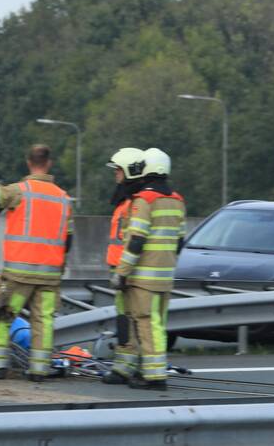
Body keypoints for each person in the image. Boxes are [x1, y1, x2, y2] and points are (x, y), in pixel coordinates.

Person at [0, 144, 72, 381]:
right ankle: (39, 370)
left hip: (19, 273)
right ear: (49, 164)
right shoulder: (64, 198)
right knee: (44, 321)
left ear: (29, 162)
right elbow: (69, 240)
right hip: (49, 275)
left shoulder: (19, 191)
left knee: (1, 316)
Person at [101, 147, 184, 390]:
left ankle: (154, 375)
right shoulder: (176, 200)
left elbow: (136, 240)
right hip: (162, 275)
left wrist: (122, 272)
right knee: (144, 323)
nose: (116, 176)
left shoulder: (142, 201)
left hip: (139, 274)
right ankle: (131, 368)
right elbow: (179, 241)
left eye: (118, 171)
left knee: (146, 323)